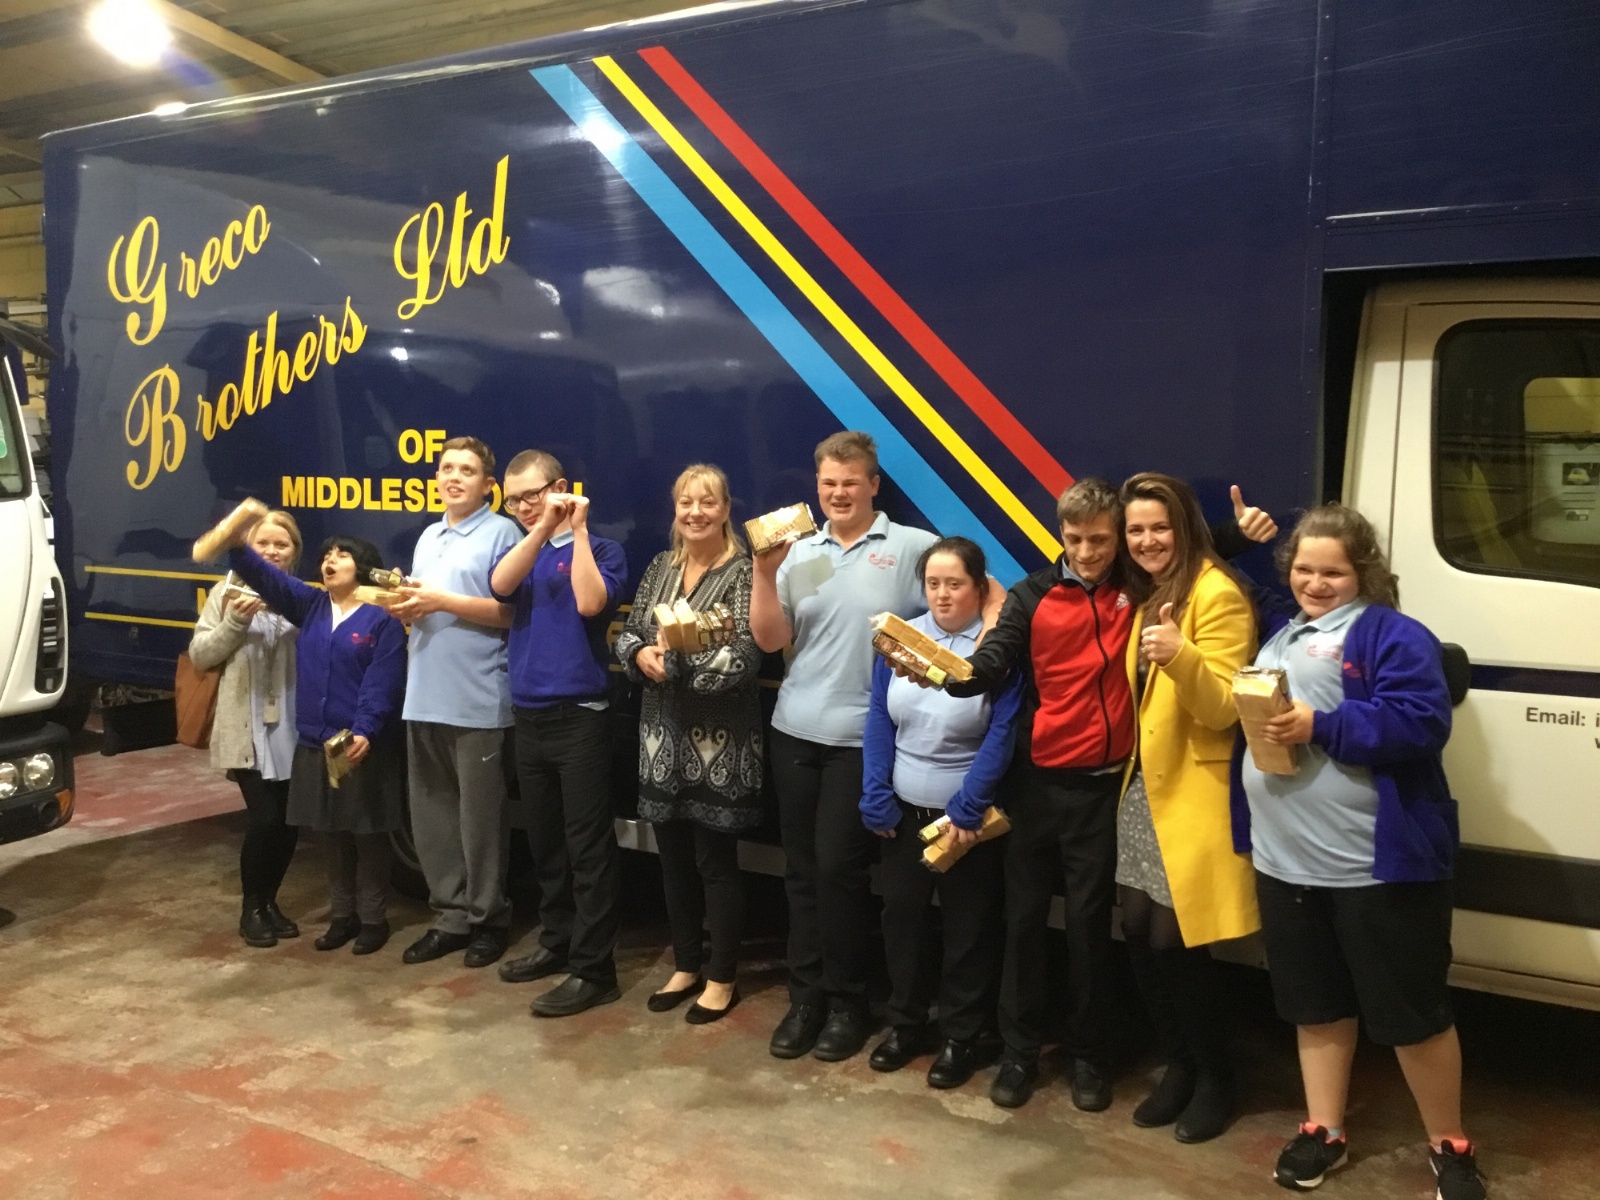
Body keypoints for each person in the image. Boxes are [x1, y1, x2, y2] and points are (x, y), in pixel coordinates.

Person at [948, 478, 1275, 1112]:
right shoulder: (1032, 594)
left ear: (1115, 539)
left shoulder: (1138, 586)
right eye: (1075, 540)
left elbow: (1184, 550)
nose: (1088, 552)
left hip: (1105, 789)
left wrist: (1237, 536)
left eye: (1101, 539)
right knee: (1023, 924)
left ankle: (1089, 1057)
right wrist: (951, 676)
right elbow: (994, 658)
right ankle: (1019, 1055)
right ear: (1060, 535)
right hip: (1035, 786)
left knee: (1090, 931)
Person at [1234, 505, 1485, 1199]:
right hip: (1285, 863)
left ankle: (1450, 1145)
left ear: (1362, 573)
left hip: (1374, 870)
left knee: (1413, 1014)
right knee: (1315, 1006)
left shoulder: (1394, 634)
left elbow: (1421, 722)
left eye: (1333, 572)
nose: (1315, 583)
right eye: (1304, 569)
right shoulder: (1283, 635)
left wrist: (1321, 724)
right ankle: (1324, 1129)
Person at [748, 431, 943, 1062]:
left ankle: (847, 1004)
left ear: (873, 485)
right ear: (817, 486)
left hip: (863, 741)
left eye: (851, 483)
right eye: (829, 483)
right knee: (800, 872)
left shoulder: (913, 547)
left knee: (839, 875)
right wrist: (763, 572)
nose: (839, 493)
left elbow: (974, 598)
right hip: (793, 730)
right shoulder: (797, 552)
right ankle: (805, 1000)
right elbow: (770, 639)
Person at [1115, 472, 1258, 1143]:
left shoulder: (1216, 593)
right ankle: (1177, 1064)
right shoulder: (1154, 591)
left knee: (1179, 944)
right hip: (1144, 790)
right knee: (1138, 933)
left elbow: (1227, 706)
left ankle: (1214, 1077)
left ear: (1184, 528)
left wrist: (1181, 656)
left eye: (1159, 527)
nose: (1146, 540)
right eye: (1136, 530)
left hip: (1193, 791)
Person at [859, 537, 1024, 1088]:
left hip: (968, 822)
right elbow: (879, 718)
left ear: (980, 587)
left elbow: (1002, 731)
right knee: (902, 922)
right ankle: (906, 1024)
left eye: (955, 584)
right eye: (933, 584)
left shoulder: (996, 650)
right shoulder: (901, 639)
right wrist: (875, 791)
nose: (943, 595)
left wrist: (970, 807)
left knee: (968, 931)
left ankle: (961, 1036)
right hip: (903, 812)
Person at [615, 464, 763, 1024]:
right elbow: (630, 631)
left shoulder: (744, 572)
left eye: (707, 502)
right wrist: (640, 655)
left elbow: (745, 654)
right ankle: (685, 965)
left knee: (715, 863)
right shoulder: (662, 565)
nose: (695, 513)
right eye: (685, 502)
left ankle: (722, 977)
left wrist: (672, 663)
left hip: (721, 743)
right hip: (661, 738)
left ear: (726, 510)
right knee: (672, 860)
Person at [224, 528, 407, 956]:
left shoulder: (382, 618)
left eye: (341, 555)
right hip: (316, 743)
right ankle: (342, 916)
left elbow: (382, 681)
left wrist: (365, 728)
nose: (330, 561)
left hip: (359, 743)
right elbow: (268, 578)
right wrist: (235, 546)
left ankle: (373, 919)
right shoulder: (312, 605)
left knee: (368, 834)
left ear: (362, 566)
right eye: (327, 555)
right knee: (331, 834)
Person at [491, 450, 628, 1017]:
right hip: (529, 714)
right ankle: (556, 942)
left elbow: (591, 602)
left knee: (587, 848)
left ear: (561, 487)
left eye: (533, 494)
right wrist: (541, 528)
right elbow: (500, 585)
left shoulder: (603, 549)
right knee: (545, 843)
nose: (524, 506)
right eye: (513, 500)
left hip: (581, 716)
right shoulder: (524, 549)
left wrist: (576, 529)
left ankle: (595, 970)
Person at [389, 437, 521, 970]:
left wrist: (440, 600)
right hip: (424, 694)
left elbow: (510, 613)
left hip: (478, 698)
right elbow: (426, 605)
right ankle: (450, 917)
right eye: (447, 468)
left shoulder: (503, 533)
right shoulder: (429, 535)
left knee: (480, 823)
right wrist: (407, 607)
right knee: (433, 819)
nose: (454, 477)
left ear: (488, 485)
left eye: (467, 470)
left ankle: (489, 920)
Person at [188, 509, 304, 948]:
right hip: (247, 725)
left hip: (292, 723)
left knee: (289, 822)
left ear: (294, 552)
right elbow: (201, 655)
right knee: (265, 818)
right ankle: (251, 908)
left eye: (281, 544)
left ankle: (271, 903)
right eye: (263, 544)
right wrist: (235, 622)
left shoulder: (300, 596)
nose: (272, 551)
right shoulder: (226, 593)